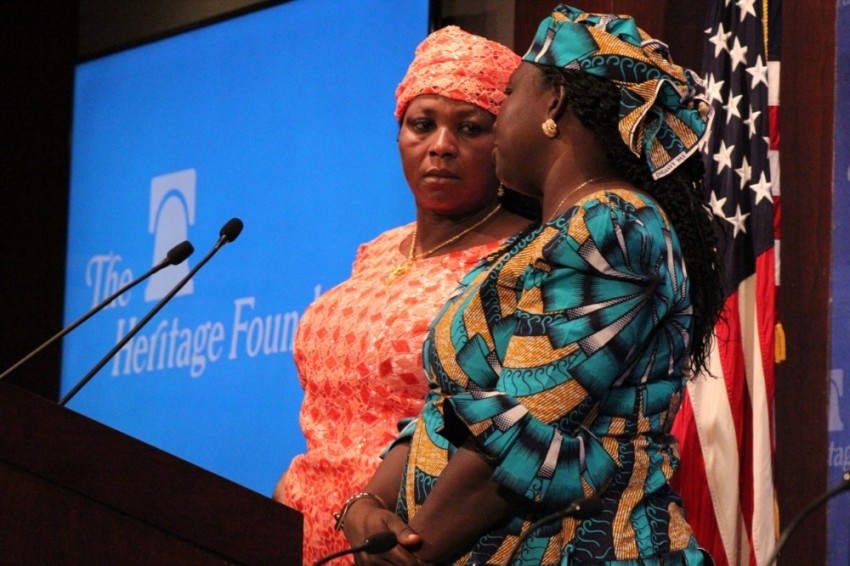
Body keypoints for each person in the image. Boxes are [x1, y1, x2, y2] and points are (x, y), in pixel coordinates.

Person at [340, 4, 725, 565]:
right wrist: (367, 500)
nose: (498, 116)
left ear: (555, 102)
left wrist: (413, 554)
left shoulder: (612, 225)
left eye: (510, 94)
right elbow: (449, 405)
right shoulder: (543, 238)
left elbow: (525, 428)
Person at [273, 26, 535, 565]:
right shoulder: (379, 249)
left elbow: (505, 427)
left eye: (469, 128)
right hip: (300, 532)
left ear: (503, 141)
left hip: (413, 541)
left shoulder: (524, 258)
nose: (441, 145)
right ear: (400, 135)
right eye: (423, 125)